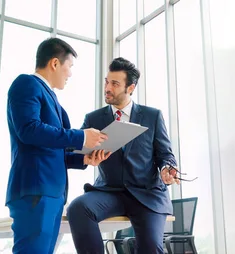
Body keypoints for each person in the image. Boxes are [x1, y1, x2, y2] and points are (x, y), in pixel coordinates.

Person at [5, 37, 111, 254]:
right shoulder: (26, 84)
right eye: (69, 66)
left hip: (51, 193)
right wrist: (80, 137)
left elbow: (53, 149)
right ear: (55, 63)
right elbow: (29, 130)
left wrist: (83, 158)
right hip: (36, 189)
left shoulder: (54, 101)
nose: (70, 73)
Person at [66, 57, 181, 254]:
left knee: (151, 248)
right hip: (110, 192)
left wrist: (166, 169)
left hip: (147, 194)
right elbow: (73, 150)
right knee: (78, 208)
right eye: (106, 81)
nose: (107, 88)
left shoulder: (152, 116)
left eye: (115, 83)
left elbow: (165, 154)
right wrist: (86, 156)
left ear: (131, 87)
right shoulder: (93, 119)